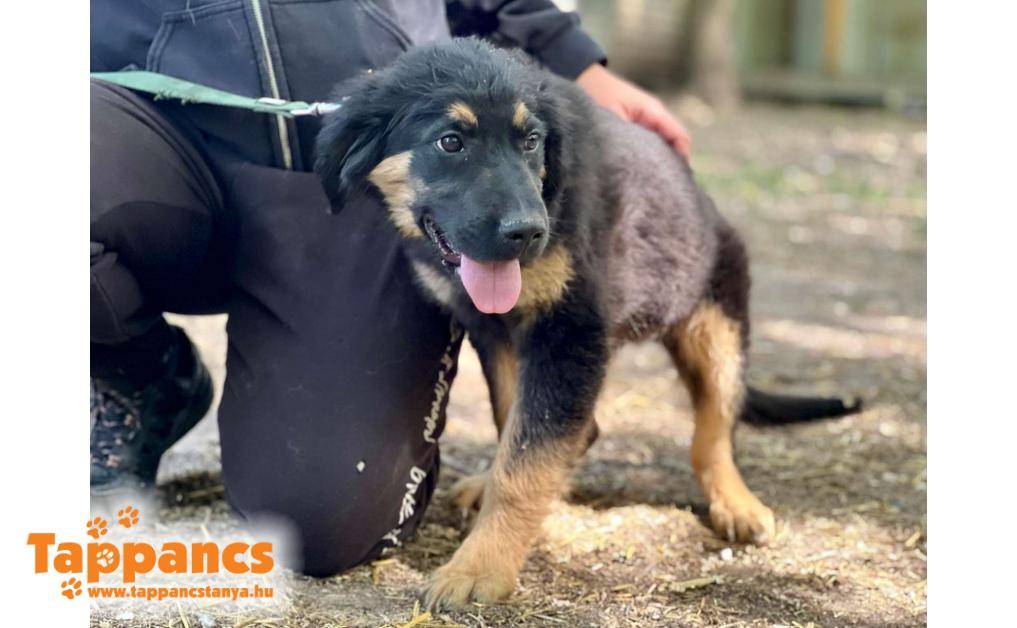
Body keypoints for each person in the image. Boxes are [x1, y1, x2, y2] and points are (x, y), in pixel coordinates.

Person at [90, 0, 691, 577]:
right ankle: (136, 371)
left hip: (362, 167)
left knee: (316, 524)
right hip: (152, 126)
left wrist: (573, 58)